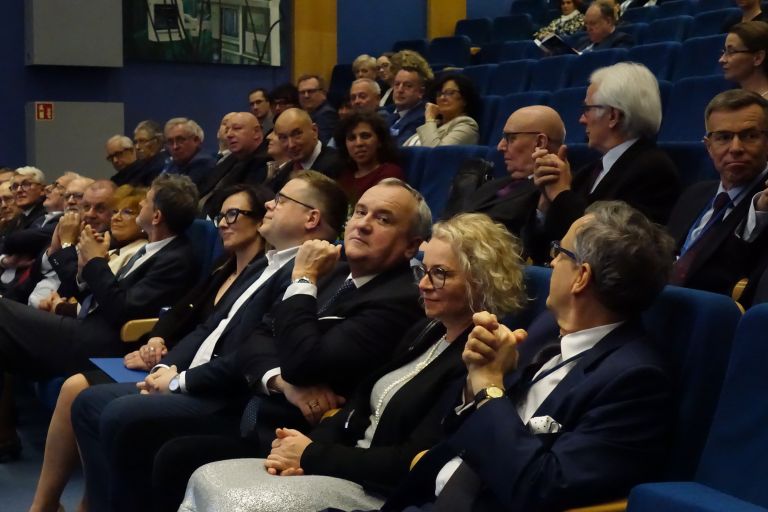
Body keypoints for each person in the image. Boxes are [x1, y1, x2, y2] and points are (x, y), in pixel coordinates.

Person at [178, 213, 527, 512]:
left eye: (440, 273)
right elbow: (359, 404)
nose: (423, 284)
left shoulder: (482, 357)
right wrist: (301, 448)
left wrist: (312, 455)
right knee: (204, 475)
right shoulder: (427, 330)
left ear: (481, 281)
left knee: (231, 498)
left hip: (379, 493)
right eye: (422, 270)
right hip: (342, 468)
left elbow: (413, 460)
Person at [71, 172, 350, 512]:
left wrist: (178, 382)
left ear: (311, 218)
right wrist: (164, 369)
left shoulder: (312, 275)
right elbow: (208, 327)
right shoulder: (262, 264)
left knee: (121, 413)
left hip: (229, 395)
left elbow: (250, 349)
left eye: (280, 201)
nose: (269, 205)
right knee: (88, 402)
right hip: (197, 378)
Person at [146, 179, 431, 510]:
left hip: (303, 439)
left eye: (383, 219)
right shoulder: (334, 273)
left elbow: (304, 363)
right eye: (361, 212)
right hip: (263, 413)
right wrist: (282, 382)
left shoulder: (399, 299)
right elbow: (257, 338)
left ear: (411, 246)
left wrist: (304, 279)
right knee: (159, 445)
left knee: (172, 453)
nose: (364, 224)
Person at [382, 201, 676, 511]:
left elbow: (541, 487)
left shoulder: (636, 381)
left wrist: (488, 388)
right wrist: (476, 381)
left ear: (581, 277)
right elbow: (460, 431)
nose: (551, 262)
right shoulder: (546, 337)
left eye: (559, 252)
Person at [29, 184, 273, 512]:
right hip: (167, 358)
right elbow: (181, 315)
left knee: (82, 392)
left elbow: (126, 310)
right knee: (78, 391)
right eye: (220, 216)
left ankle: (82, 504)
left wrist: (171, 372)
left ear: (260, 220)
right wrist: (157, 340)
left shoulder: (256, 272)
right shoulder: (224, 267)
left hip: (194, 375)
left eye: (233, 215)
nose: (222, 225)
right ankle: (64, 504)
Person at [531, 62, 680, 263]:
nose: (581, 119)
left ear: (613, 116)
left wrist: (561, 194)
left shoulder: (653, 171)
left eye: (587, 109)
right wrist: (545, 204)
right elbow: (539, 247)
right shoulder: (590, 171)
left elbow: (605, 248)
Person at [667, 89, 768, 302]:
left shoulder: (764, 203)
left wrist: (760, 212)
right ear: (709, 147)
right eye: (723, 137)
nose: (736, 148)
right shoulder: (694, 194)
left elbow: (739, 277)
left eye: (749, 136)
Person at [444, 106, 565, 237]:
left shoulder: (557, 192)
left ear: (540, 142)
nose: (500, 146)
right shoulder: (492, 184)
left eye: (511, 138)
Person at [197, 112, 269, 219]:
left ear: (256, 132)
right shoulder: (229, 159)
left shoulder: (264, 162)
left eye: (237, 128)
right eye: (227, 130)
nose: (229, 135)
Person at [334, 112, 405, 203]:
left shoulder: (390, 174)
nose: (359, 143)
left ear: (380, 141)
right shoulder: (344, 176)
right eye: (352, 138)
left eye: (365, 136)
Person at [269, 108, 343, 192]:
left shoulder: (338, 165)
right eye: (283, 138)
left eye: (297, 134)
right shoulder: (285, 172)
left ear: (314, 131)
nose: (291, 145)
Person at [403, 73, 480, 147]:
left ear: (465, 99)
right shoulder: (436, 124)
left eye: (450, 93)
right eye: (439, 94)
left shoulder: (466, 125)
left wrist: (430, 118)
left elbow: (434, 153)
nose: (442, 98)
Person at [387, 51, 433, 146]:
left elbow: (398, 148)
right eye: (397, 84)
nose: (400, 90)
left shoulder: (421, 118)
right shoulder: (391, 117)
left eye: (408, 86)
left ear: (421, 92)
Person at [162, 118, 217, 189]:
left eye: (180, 140)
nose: (175, 147)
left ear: (196, 140)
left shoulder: (203, 163)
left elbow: (177, 193)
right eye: (170, 142)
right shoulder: (173, 163)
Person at [720, 21, 768, 98]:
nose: (721, 60)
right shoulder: (730, 100)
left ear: (758, 58)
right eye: (724, 51)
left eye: (731, 51)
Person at [297, 74, 339, 144]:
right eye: (302, 92)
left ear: (323, 93)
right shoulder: (304, 114)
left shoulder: (327, 114)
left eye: (310, 91)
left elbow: (324, 145)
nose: (306, 96)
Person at [127, 119, 167, 186]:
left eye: (142, 141)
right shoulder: (141, 165)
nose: (137, 147)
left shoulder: (161, 167)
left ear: (157, 141)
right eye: (136, 142)